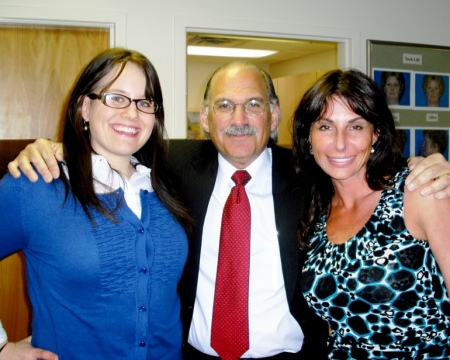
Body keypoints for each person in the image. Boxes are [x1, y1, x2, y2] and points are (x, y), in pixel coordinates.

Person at [7, 63, 450, 359]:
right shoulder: (170, 166)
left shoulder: (310, 172)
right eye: (224, 105)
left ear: (274, 116)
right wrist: (56, 148)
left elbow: (359, 166)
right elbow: (114, 142)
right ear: (204, 117)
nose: (239, 117)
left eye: (254, 104)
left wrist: (423, 166)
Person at [0, 48, 191, 359]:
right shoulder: (37, 185)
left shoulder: (166, 186)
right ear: (84, 107)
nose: (132, 114)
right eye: (116, 97)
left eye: (144, 102)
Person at [293, 69, 450, 358]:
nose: (340, 143)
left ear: (376, 133)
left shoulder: (418, 191)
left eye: (355, 126)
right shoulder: (316, 212)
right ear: (308, 137)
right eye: (326, 127)